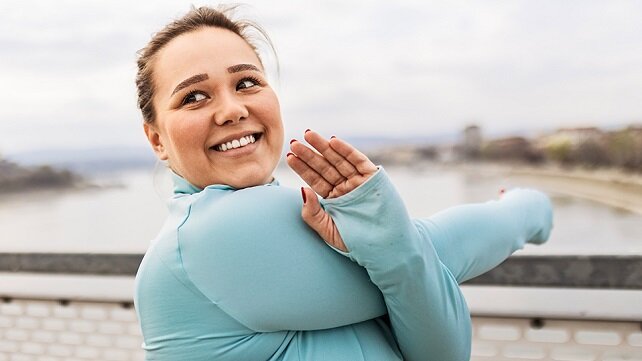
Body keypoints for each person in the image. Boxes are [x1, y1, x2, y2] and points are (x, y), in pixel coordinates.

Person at [133, 6, 553, 361]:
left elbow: (442, 351)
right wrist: (528, 208)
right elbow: (436, 251)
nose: (232, 110)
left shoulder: (283, 217)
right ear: (157, 139)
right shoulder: (207, 236)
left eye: (246, 82)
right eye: (193, 96)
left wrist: (395, 248)